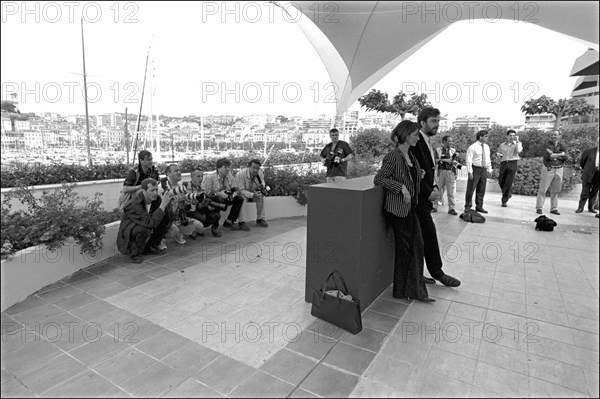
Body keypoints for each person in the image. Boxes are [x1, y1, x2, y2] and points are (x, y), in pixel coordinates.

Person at [374, 120, 434, 303]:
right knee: (407, 250)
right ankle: (408, 290)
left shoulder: (410, 156)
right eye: (415, 134)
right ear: (406, 136)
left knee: (415, 248)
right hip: (398, 211)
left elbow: (410, 176)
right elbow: (379, 179)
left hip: (410, 209)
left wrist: (418, 175)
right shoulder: (393, 156)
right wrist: (400, 187)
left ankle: (408, 289)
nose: (418, 137)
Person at [409, 107, 461, 287]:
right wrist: (428, 191)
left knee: (425, 237)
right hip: (416, 200)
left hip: (425, 198)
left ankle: (429, 273)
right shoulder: (415, 142)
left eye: (438, 121)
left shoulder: (428, 141)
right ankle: (435, 273)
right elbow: (412, 173)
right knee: (425, 237)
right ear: (422, 122)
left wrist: (434, 186)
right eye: (433, 121)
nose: (437, 125)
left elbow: (429, 169)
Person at [117, 178, 173, 264]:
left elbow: (166, 217)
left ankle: (150, 247)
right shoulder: (134, 204)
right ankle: (135, 254)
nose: (155, 193)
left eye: (156, 190)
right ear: (143, 191)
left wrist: (168, 204)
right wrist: (163, 204)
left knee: (163, 220)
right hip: (129, 233)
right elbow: (150, 222)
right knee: (144, 228)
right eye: (152, 190)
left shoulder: (156, 199)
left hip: (145, 226)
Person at [159, 164, 206, 243]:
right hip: (166, 219)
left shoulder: (181, 187)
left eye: (179, 170)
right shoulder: (161, 188)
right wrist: (173, 204)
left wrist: (192, 204)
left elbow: (187, 207)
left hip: (179, 218)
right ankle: (160, 238)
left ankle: (179, 232)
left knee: (200, 227)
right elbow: (160, 211)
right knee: (174, 230)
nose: (179, 172)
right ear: (168, 174)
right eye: (176, 171)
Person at [201, 158, 247, 231]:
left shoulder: (229, 176)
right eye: (225, 167)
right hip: (214, 199)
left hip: (226, 197)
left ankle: (229, 221)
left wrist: (232, 195)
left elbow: (235, 188)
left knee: (239, 198)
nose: (227, 169)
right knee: (217, 199)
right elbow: (207, 193)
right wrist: (219, 194)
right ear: (218, 168)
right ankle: (215, 225)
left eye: (228, 167)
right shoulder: (210, 177)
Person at [536, 130, 568, 215]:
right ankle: (539, 207)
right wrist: (561, 154)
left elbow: (566, 157)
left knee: (556, 190)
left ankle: (554, 208)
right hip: (549, 168)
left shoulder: (562, 145)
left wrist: (556, 155)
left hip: (559, 169)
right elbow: (549, 156)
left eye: (555, 135)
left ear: (559, 136)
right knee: (543, 189)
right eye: (552, 135)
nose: (553, 136)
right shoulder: (547, 145)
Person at [184, 168, 223, 237]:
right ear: (192, 177)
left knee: (216, 215)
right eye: (198, 176)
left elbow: (204, 198)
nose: (201, 178)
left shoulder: (202, 186)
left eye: (201, 176)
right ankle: (193, 230)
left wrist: (207, 204)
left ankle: (202, 228)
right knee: (201, 217)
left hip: (200, 208)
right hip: (190, 211)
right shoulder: (186, 187)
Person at [234, 159, 269, 228]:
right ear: (249, 167)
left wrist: (260, 190)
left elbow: (262, 184)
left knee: (260, 197)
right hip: (243, 194)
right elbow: (240, 190)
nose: (256, 170)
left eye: (257, 168)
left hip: (253, 193)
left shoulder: (260, 174)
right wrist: (252, 195)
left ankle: (260, 219)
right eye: (253, 168)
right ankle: (241, 222)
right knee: (242, 199)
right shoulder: (240, 174)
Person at [465, 130, 493, 214]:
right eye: (486, 136)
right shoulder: (472, 147)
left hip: (483, 169)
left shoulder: (487, 147)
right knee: (471, 188)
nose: (487, 138)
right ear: (480, 137)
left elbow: (488, 158)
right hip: (475, 169)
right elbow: (468, 160)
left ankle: (479, 206)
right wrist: (470, 172)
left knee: (482, 188)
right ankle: (468, 206)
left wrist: (489, 169)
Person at [435, 135, 461, 215]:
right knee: (437, 190)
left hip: (450, 171)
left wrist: (455, 164)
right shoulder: (438, 150)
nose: (451, 142)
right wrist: (445, 160)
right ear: (444, 142)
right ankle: (434, 207)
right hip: (440, 171)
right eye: (449, 141)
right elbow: (435, 160)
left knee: (451, 192)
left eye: (451, 141)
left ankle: (451, 208)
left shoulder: (453, 150)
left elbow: (454, 161)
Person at [497, 129, 523, 207]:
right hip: (504, 163)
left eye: (513, 135)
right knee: (501, 181)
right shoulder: (502, 145)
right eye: (510, 135)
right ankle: (508, 194)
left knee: (508, 182)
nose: (512, 137)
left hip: (512, 163)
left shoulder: (517, 144)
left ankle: (504, 200)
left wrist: (517, 142)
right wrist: (498, 155)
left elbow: (519, 151)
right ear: (507, 136)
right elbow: (499, 153)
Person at [576, 136, 599, 214]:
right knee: (585, 191)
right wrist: (586, 169)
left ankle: (591, 207)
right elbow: (582, 162)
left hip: (598, 175)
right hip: (588, 174)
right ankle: (580, 207)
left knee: (595, 191)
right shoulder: (589, 151)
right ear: (597, 142)